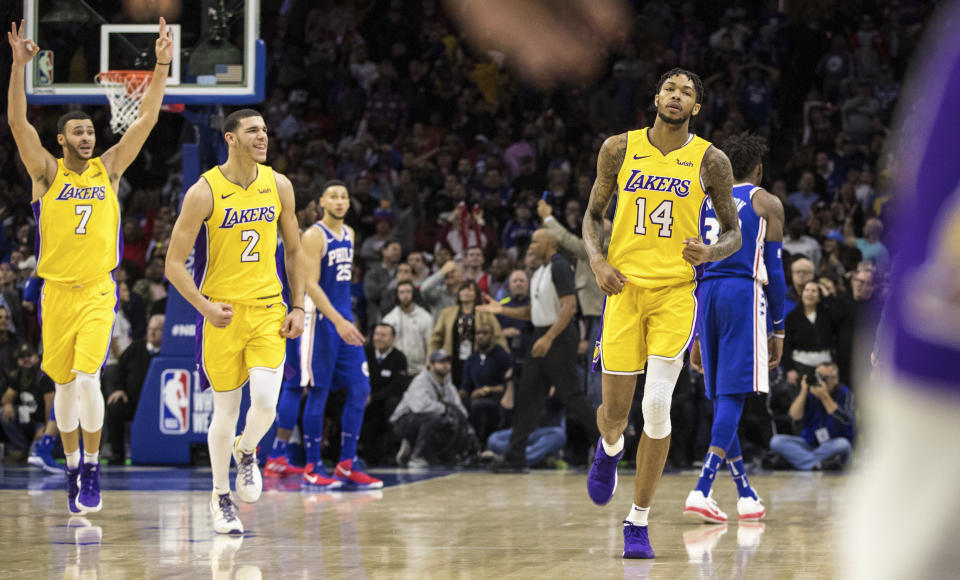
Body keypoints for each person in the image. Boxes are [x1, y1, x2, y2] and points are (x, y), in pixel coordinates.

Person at [7, 18, 173, 515]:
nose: (86, 135)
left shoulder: (111, 166)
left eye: (89, 130)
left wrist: (162, 63)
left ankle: (93, 467)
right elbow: (18, 123)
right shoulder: (45, 173)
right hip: (55, 293)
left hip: (99, 290)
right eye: (76, 131)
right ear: (60, 140)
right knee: (62, 386)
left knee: (87, 380)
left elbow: (145, 119)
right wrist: (18, 68)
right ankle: (73, 463)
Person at [580, 68, 741, 559]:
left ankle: (638, 520)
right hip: (623, 291)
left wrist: (711, 252)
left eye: (687, 92)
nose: (676, 96)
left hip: (675, 294)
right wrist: (598, 260)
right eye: (670, 88)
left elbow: (733, 233)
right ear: (655, 98)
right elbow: (592, 216)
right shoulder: (618, 148)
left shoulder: (711, 160)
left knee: (655, 407)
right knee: (614, 415)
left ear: (696, 108)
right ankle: (608, 448)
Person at [164, 109, 307, 534]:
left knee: (265, 402)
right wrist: (204, 307)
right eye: (253, 131)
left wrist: (298, 306)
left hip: (267, 309)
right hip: (221, 314)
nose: (263, 136)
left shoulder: (279, 185)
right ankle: (219, 496)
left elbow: (296, 252)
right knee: (224, 411)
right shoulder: (203, 192)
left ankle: (247, 451)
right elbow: (173, 264)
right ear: (230, 138)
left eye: (264, 130)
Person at [683, 132, 785, 524]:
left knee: (724, 398)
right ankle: (702, 488)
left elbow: (695, 265)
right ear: (758, 168)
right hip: (743, 294)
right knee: (735, 396)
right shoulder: (766, 202)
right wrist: (778, 329)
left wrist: (694, 333)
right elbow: (774, 269)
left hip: (707, 295)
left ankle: (745, 493)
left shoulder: (706, 203)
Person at [480, 229, 600, 472]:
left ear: (550, 244)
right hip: (542, 335)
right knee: (528, 398)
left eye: (536, 241)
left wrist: (548, 338)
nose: (531, 246)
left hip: (559, 337)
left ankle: (607, 448)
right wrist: (502, 311)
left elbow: (569, 307)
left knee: (573, 398)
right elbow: (531, 312)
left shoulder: (560, 267)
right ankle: (515, 457)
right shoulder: (538, 273)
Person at [298, 180, 382, 490]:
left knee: (360, 388)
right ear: (322, 201)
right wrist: (337, 321)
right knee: (319, 392)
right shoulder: (313, 236)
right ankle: (312, 465)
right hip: (321, 322)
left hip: (344, 320)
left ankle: (347, 463)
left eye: (344, 197)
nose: (339, 201)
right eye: (333, 196)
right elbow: (311, 285)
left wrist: (348, 319)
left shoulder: (350, 234)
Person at [389, 349, 471, 468]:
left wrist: (462, 422)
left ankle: (425, 452)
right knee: (434, 417)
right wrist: (446, 410)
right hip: (402, 422)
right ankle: (416, 456)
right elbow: (420, 407)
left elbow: (460, 409)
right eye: (441, 362)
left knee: (452, 420)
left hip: (425, 421)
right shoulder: (420, 381)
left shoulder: (448, 385)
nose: (445, 365)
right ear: (431, 365)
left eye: (448, 362)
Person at [769, 362, 853, 470]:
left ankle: (802, 461)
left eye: (825, 377)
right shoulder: (810, 393)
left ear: (835, 378)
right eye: (819, 376)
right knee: (776, 441)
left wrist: (825, 397)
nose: (821, 381)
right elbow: (793, 416)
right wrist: (804, 391)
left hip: (833, 444)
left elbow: (845, 420)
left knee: (843, 444)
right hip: (809, 444)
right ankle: (817, 464)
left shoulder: (844, 393)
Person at [104, 314, 164, 465]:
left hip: (160, 404)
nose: (152, 332)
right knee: (115, 407)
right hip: (133, 401)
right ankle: (117, 454)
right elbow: (120, 369)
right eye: (150, 328)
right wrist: (119, 388)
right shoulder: (135, 348)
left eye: (157, 329)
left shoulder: (169, 352)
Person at [431, 280, 507, 388]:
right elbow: (435, 339)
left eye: (470, 289)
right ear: (458, 293)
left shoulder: (486, 313)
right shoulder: (447, 313)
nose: (465, 292)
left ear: (476, 293)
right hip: (452, 360)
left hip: (477, 360)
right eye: (462, 289)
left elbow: (498, 337)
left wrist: (504, 360)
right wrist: (432, 361)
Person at [362, 323, 408, 465]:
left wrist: (373, 398)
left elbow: (397, 386)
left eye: (383, 335)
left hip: (384, 402)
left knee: (392, 403)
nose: (379, 338)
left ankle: (393, 451)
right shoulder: (365, 353)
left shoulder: (399, 358)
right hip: (365, 399)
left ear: (393, 338)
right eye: (376, 334)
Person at [462, 322, 513, 444]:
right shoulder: (471, 359)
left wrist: (486, 390)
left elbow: (508, 385)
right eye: (478, 333)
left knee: (478, 406)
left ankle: (481, 445)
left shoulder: (502, 356)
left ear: (492, 336)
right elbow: (465, 386)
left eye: (485, 333)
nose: (480, 336)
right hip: (475, 399)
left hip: (498, 399)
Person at [1, 344, 54, 460]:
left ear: (36, 357)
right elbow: (5, 399)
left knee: (34, 458)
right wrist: (8, 404)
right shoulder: (18, 374)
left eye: (29, 356)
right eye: (22, 357)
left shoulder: (43, 375)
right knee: (3, 412)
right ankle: (21, 447)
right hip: (26, 421)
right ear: (18, 361)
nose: (26, 359)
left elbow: (50, 404)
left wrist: (46, 428)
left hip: (41, 422)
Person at [382, 280, 433, 375]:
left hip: (419, 370)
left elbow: (430, 345)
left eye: (408, 292)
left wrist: (428, 368)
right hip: (395, 370)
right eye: (401, 292)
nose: (405, 295)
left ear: (414, 294)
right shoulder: (389, 319)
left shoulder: (426, 317)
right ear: (397, 295)